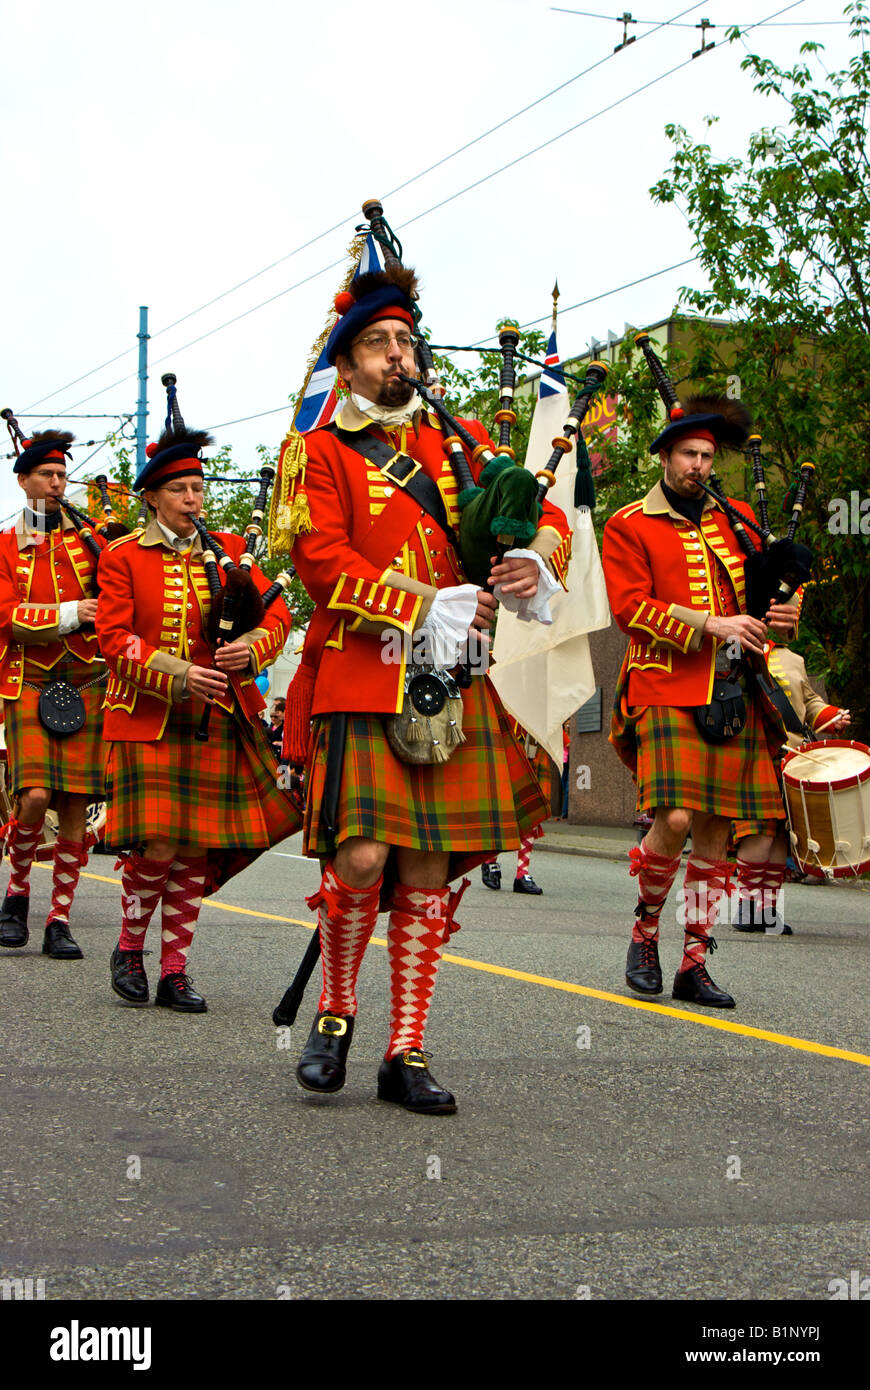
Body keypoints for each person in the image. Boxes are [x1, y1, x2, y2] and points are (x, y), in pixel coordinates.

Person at [283, 262, 570, 1113]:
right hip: (364, 672)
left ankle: (405, 1048)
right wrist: (420, 607)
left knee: (428, 868)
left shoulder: (457, 437)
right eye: (378, 343)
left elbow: (538, 510)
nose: (397, 356)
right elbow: (320, 564)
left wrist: (533, 558)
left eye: (406, 341)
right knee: (364, 856)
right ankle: (336, 1013)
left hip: (455, 677)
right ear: (347, 363)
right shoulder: (321, 451)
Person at [96, 424, 301, 1013]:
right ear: (153, 497)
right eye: (181, 489)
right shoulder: (123, 557)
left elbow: (278, 617)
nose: (193, 499)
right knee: (158, 846)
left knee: (195, 849)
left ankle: (175, 970)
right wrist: (180, 673)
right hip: (149, 717)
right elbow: (114, 640)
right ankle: (130, 948)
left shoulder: (231, 552)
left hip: (218, 717)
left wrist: (253, 648)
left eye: (199, 489)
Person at [602, 396, 796, 1009]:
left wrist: (786, 614)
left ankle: (693, 959)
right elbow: (629, 609)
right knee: (678, 818)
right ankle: (642, 936)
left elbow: (767, 601)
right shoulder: (629, 523)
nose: (699, 465)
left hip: (732, 689)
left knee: (717, 832)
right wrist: (710, 624)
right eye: (688, 453)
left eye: (708, 456)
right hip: (664, 683)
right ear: (663, 455)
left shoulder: (736, 521)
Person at [0, 430, 107, 959]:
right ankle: (16, 895)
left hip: (86, 681)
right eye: (47, 475)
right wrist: (73, 615)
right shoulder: (3, 546)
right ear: (23, 481)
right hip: (29, 680)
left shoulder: (89, 541)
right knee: (35, 796)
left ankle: (59, 917)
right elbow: (7, 618)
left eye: (64, 475)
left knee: (73, 806)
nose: (59, 484)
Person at [733, 634, 850, 933]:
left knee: (782, 836)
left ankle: (768, 910)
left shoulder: (795, 659)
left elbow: (808, 702)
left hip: (792, 758)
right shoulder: (737, 648)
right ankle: (746, 908)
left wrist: (830, 715)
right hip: (755, 751)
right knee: (758, 831)